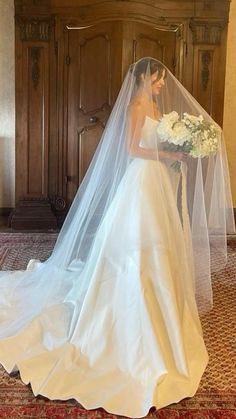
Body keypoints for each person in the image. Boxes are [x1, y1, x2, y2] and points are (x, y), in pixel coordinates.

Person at [0, 57, 234, 418]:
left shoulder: (156, 106)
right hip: (141, 180)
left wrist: (177, 151)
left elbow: (157, 141)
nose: (161, 85)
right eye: (157, 79)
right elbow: (131, 150)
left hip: (156, 180)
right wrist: (169, 152)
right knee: (136, 246)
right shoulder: (138, 105)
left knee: (159, 245)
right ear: (143, 78)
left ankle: (161, 310)